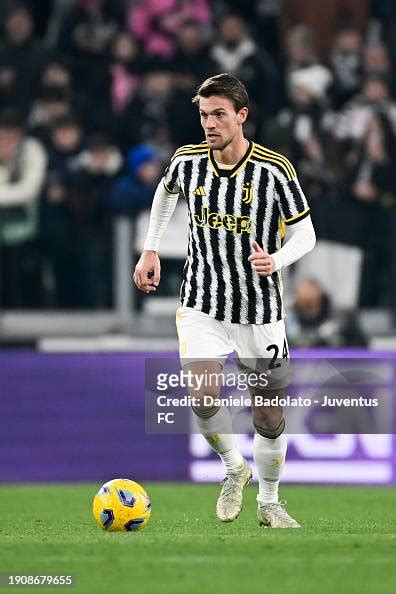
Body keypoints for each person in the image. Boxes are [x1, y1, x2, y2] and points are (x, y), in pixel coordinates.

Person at [134, 74, 316, 528]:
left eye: (218, 114)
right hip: (202, 301)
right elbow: (165, 193)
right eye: (203, 114)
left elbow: (305, 233)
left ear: (241, 116)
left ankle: (270, 501)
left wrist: (276, 259)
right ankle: (235, 468)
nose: (209, 123)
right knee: (201, 394)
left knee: (269, 414)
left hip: (259, 309)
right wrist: (151, 247)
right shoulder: (187, 160)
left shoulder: (274, 170)